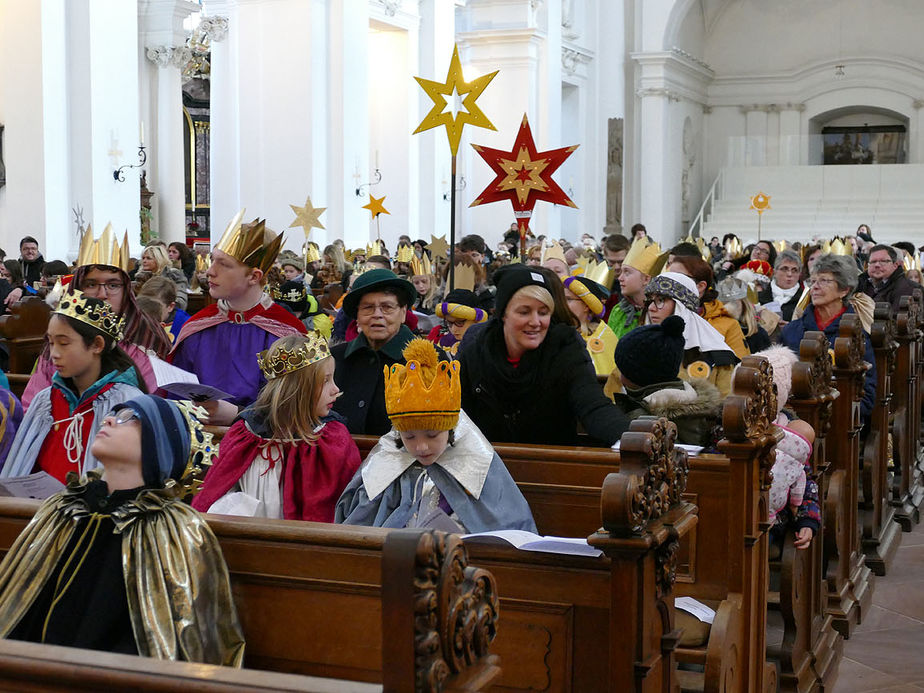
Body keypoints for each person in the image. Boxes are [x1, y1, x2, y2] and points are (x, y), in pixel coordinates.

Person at [0, 394, 245, 664]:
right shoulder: (64, 507)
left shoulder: (171, 526)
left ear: (160, 444)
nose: (108, 420)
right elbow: (19, 607)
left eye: (130, 418)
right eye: (114, 414)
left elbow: (174, 637)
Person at [336, 338, 536, 533]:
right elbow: (358, 522)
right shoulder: (386, 458)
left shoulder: (478, 459)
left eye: (432, 435)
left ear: (451, 430)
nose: (421, 446)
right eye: (409, 437)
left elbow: (505, 524)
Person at [194, 333, 361, 522]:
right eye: (325, 381)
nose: (336, 389)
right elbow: (216, 491)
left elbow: (346, 506)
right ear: (297, 390)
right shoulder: (246, 433)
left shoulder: (332, 438)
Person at [458, 265, 631, 446]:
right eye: (524, 312)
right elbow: (457, 410)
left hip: (551, 464)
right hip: (488, 464)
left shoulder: (565, 348)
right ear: (503, 314)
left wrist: (624, 439)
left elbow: (592, 404)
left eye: (543, 312)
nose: (535, 322)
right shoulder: (478, 348)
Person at [169, 215, 306, 425]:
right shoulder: (197, 327)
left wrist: (239, 414)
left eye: (223, 264)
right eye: (213, 260)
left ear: (254, 276)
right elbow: (175, 395)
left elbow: (295, 409)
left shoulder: (286, 334)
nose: (210, 271)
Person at [3, 293, 146, 482]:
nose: (54, 354)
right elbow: (22, 466)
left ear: (97, 345)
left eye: (63, 343)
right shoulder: (46, 400)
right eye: (51, 343)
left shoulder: (126, 404)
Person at [23, 255, 171, 408]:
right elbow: (32, 404)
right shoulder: (60, 336)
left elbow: (147, 405)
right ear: (78, 288)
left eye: (113, 285)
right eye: (91, 284)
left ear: (125, 290)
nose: (102, 295)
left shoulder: (148, 337)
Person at [781, 254, 877, 419]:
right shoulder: (791, 332)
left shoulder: (856, 335)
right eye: (813, 281)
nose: (815, 287)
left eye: (824, 281)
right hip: (794, 417)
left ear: (844, 290)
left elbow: (867, 394)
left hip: (841, 422)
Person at [611, 315, 722, 447]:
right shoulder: (686, 396)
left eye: (622, 370)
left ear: (638, 376)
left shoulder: (644, 418)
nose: (619, 376)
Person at [332, 268, 417, 435]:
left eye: (387, 307)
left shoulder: (426, 360)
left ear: (403, 313)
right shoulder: (334, 359)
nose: (377, 315)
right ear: (357, 315)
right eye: (367, 307)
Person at [756, 345, 821, 553]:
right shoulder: (728, 425)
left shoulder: (792, 433)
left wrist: (807, 522)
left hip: (772, 520)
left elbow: (805, 482)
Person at [641, 272, 740, 397]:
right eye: (650, 301)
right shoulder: (639, 348)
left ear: (681, 306)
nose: (651, 308)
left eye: (661, 300)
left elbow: (728, 405)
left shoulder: (717, 356)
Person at [666, 255, 749, 359]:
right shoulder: (657, 313)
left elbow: (739, 368)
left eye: (678, 278)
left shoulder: (728, 325)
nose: (668, 283)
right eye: (667, 276)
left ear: (700, 286)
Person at [606, 238, 665, 339]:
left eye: (627, 272)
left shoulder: (660, 313)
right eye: (621, 272)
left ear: (646, 279)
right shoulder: (618, 310)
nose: (620, 278)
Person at [562, 275, 618, 377]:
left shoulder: (605, 335)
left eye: (568, 299)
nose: (561, 304)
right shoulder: (557, 332)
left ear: (586, 306)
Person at [857, 244, 922, 313]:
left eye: (883, 261)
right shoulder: (860, 285)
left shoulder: (908, 288)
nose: (877, 265)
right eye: (873, 262)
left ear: (895, 265)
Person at [717, 277, 771, 353]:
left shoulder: (758, 334)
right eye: (724, 303)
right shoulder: (713, 331)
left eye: (733, 302)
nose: (727, 308)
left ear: (744, 304)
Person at [428, 289, 488, 357]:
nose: (454, 329)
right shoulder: (444, 342)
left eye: (460, 322)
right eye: (449, 323)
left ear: (475, 321)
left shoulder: (485, 346)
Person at [138, 275, 190, 343]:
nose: (146, 310)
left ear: (171, 306)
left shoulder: (187, 328)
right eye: (143, 304)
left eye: (154, 306)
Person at [758, 249, 804, 323]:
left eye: (794, 270)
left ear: (799, 274)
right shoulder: (758, 298)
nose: (789, 274)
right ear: (775, 272)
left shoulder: (806, 301)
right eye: (784, 269)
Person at [140, 245, 189, 311]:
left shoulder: (173, 276)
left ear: (159, 259)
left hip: (168, 315)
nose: (144, 261)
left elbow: (180, 302)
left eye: (148, 258)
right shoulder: (141, 278)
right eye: (143, 258)